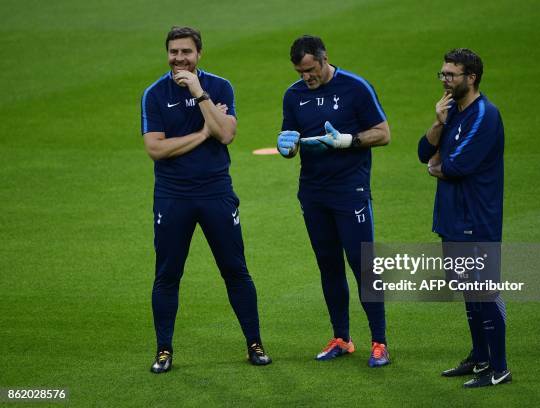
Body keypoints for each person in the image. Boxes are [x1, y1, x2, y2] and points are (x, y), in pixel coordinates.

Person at [140, 26, 271, 373]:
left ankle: (254, 344)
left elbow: (226, 134)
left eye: (186, 52)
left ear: (199, 54)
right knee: (167, 275)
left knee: (235, 271)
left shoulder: (219, 86)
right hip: (173, 197)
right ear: (167, 53)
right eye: (173, 52)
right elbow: (155, 149)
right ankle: (164, 350)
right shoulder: (154, 94)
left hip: (216, 194)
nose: (179, 58)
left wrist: (199, 93)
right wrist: (202, 132)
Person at [277, 35, 391, 367]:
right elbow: (292, 140)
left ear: (325, 59)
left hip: (350, 191)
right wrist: (288, 147)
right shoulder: (293, 95)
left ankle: (379, 342)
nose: (306, 78)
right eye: (300, 72)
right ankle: (342, 338)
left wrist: (348, 140)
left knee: (362, 265)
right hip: (313, 193)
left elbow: (383, 133)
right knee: (328, 265)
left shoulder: (355, 87)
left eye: (310, 70)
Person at [417, 48, 511, 387]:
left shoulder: (485, 114)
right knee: (467, 291)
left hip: (477, 219)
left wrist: (438, 166)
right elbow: (423, 152)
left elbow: (457, 166)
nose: (444, 80)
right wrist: (438, 124)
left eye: (451, 75)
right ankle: (479, 356)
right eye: (442, 74)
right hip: (451, 218)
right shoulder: (452, 112)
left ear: (471, 78)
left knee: (485, 293)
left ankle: (499, 367)